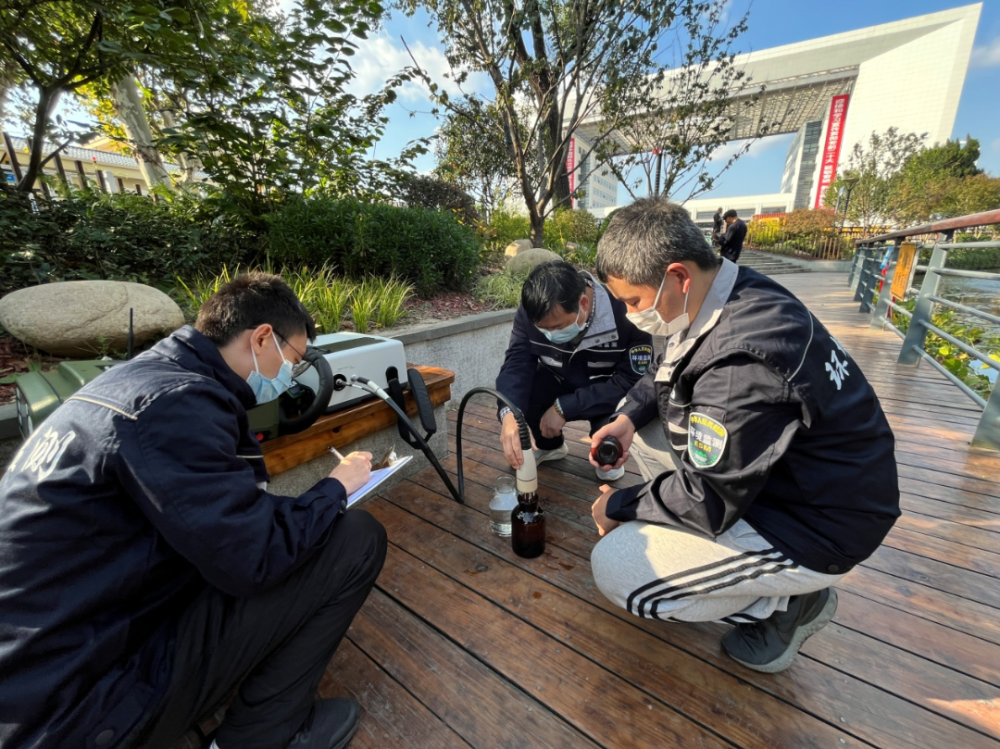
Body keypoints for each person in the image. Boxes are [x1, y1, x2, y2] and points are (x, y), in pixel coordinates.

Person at [0, 273, 387, 749]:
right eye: (295, 359)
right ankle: (259, 737)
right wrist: (335, 486)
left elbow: (219, 521)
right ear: (262, 337)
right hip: (74, 712)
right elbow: (256, 559)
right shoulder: (176, 405)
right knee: (354, 537)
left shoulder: (134, 381)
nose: (293, 373)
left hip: (36, 676)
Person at [587, 200, 899, 673]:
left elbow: (708, 499)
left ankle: (788, 605)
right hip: (790, 474)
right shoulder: (728, 290)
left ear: (678, 276)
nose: (633, 316)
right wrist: (627, 416)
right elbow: (667, 370)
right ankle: (738, 569)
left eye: (633, 302)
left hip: (818, 522)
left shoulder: (741, 359)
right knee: (648, 431)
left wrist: (619, 506)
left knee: (620, 570)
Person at [496, 259, 653, 481]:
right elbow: (516, 363)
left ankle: (606, 451)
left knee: (608, 457)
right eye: (543, 329)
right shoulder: (529, 312)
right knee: (526, 391)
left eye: (557, 327)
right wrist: (510, 413)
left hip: (606, 391)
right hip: (557, 380)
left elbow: (632, 380)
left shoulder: (627, 311)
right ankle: (548, 446)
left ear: (584, 303)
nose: (550, 334)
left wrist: (564, 407)